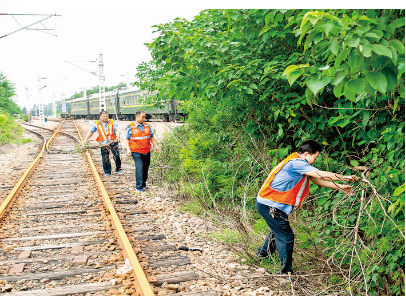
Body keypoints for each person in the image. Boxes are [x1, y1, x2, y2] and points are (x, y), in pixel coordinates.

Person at [256, 139, 359, 275]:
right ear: (306, 154)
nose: (315, 160)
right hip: (270, 204)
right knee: (286, 236)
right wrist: (346, 177)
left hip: (269, 203)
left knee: (278, 231)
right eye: (315, 157)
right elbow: (321, 174)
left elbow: (317, 180)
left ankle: (262, 256)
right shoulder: (297, 163)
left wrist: (340, 187)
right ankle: (285, 272)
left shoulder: (297, 162)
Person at [124, 111, 160, 192]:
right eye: (142, 117)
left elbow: (151, 137)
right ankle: (139, 186)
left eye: (144, 117)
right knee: (139, 167)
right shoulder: (130, 126)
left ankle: (143, 184)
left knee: (145, 167)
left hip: (146, 150)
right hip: (136, 151)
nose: (144, 118)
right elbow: (126, 139)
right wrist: (128, 149)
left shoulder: (147, 125)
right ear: (137, 117)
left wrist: (155, 145)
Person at [84, 110, 122, 177]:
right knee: (105, 158)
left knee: (116, 156)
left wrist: (118, 136)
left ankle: (118, 168)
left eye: (106, 116)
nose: (105, 117)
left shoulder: (112, 122)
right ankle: (107, 171)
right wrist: (86, 139)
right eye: (104, 116)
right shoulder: (96, 123)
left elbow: (117, 130)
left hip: (113, 142)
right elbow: (91, 131)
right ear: (100, 116)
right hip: (103, 143)